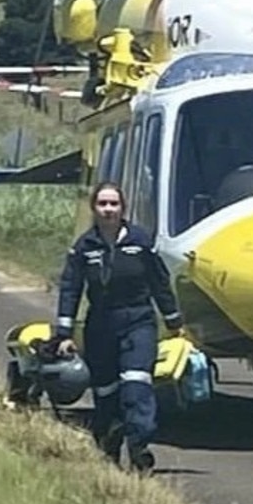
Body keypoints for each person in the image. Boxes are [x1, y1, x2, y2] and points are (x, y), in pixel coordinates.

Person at [54, 181, 184, 474]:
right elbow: (70, 288)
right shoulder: (84, 247)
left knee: (136, 384)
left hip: (138, 321)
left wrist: (174, 319)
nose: (108, 210)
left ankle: (139, 448)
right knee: (105, 391)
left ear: (123, 208)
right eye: (102, 204)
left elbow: (159, 283)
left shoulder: (141, 242)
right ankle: (108, 447)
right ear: (94, 209)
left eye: (114, 204)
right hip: (100, 324)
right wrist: (63, 333)